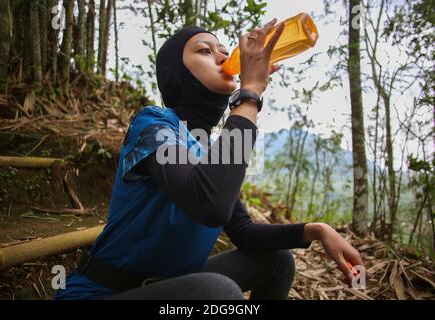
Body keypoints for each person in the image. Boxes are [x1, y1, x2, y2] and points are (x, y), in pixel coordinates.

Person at [55, 18, 367, 300]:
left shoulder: (208, 149)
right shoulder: (153, 124)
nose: (222, 56)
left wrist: (316, 230)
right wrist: (250, 94)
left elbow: (243, 230)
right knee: (217, 291)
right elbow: (209, 204)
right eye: (205, 51)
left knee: (277, 261)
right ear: (177, 74)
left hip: (170, 288)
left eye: (223, 49)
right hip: (101, 293)